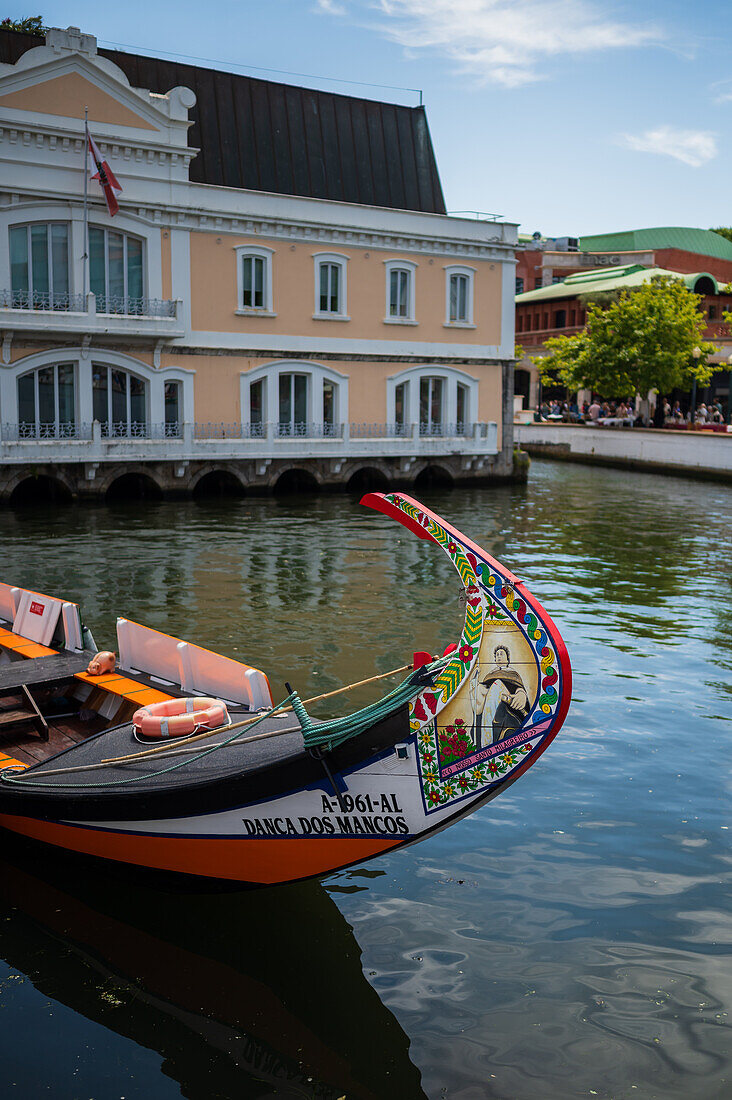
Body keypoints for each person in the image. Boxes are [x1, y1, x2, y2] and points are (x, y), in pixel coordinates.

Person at [468, 645, 530, 748]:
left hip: (505, 710)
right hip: (488, 709)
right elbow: (482, 692)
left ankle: (490, 743)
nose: (499, 657)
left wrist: (521, 694)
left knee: (497, 685)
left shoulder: (513, 674)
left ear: (508, 658)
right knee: (489, 687)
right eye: (497, 655)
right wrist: (474, 682)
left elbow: (518, 688)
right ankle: (484, 743)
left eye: (501, 654)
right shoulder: (490, 675)